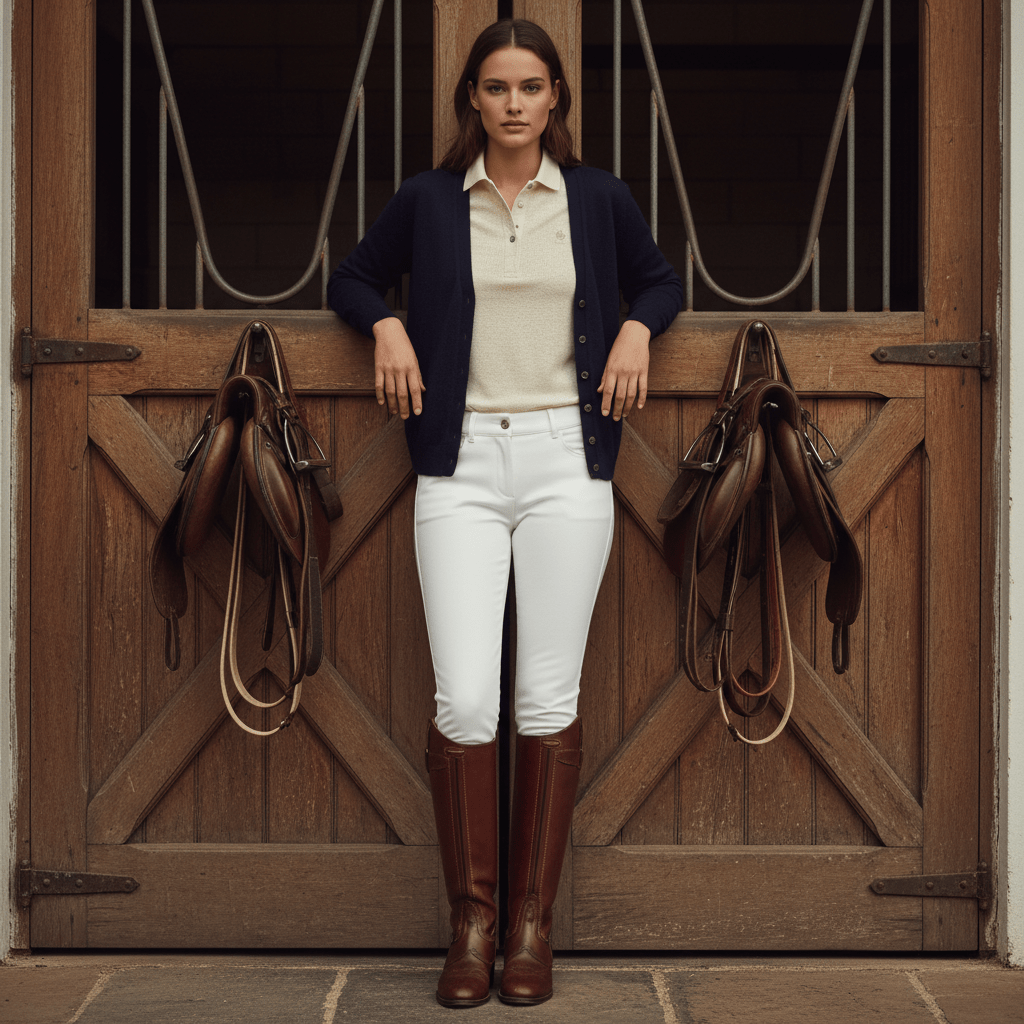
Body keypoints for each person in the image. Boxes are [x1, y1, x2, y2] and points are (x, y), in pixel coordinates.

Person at [328, 18, 683, 1008]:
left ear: (557, 97)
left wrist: (635, 332)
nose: (515, 103)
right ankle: (471, 923)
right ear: (471, 101)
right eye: (496, 87)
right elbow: (349, 275)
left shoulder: (598, 198)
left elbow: (662, 279)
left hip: (570, 465)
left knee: (544, 697)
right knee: (466, 701)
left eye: (532, 86)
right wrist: (388, 323)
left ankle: (530, 926)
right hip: (461, 466)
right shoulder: (431, 201)